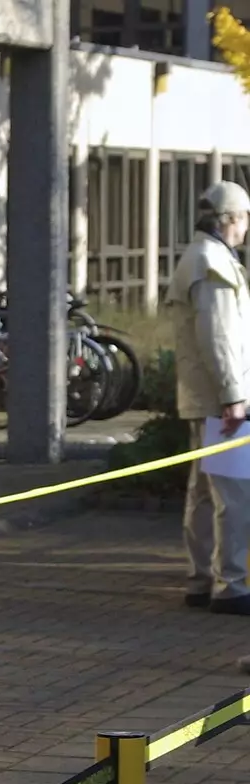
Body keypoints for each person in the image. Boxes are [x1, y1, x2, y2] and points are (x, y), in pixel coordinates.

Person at [166, 180, 250, 616]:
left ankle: (201, 579)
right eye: (245, 219)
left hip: (206, 398)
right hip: (222, 401)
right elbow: (218, 337)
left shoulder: (202, 257)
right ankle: (231, 584)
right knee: (232, 495)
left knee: (203, 492)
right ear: (231, 219)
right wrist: (234, 396)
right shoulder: (211, 263)